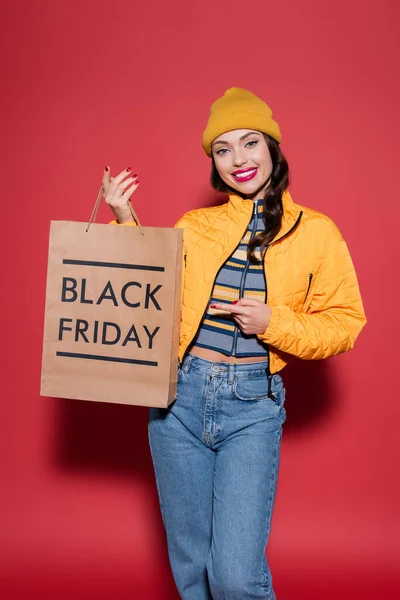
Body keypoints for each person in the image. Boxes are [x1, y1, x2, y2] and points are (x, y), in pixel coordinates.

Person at [102, 87, 367, 600]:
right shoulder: (195, 226)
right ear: (214, 163)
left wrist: (273, 322)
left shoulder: (316, 232)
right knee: (191, 567)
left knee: (235, 576)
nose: (238, 159)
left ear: (272, 148)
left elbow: (345, 322)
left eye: (249, 143)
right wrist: (123, 219)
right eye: (223, 149)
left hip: (252, 406)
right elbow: (151, 295)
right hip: (177, 401)